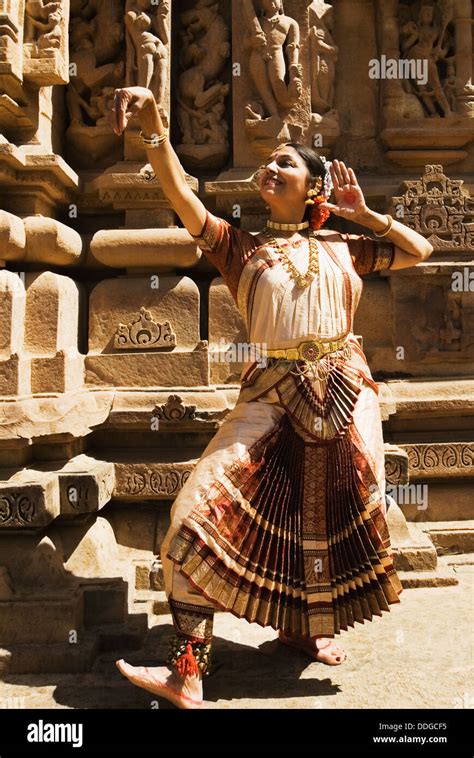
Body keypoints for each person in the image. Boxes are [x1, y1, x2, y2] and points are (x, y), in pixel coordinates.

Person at [108, 86, 433, 709]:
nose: (271, 166)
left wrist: (361, 213)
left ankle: (302, 632)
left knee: (323, 521)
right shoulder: (241, 247)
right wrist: (154, 128)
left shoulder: (344, 247)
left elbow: (419, 252)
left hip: (344, 395)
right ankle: (188, 670)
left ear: (314, 188)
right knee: (194, 514)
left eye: (287, 161)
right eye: (270, 160)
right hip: (269, 396)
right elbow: (181, 194)